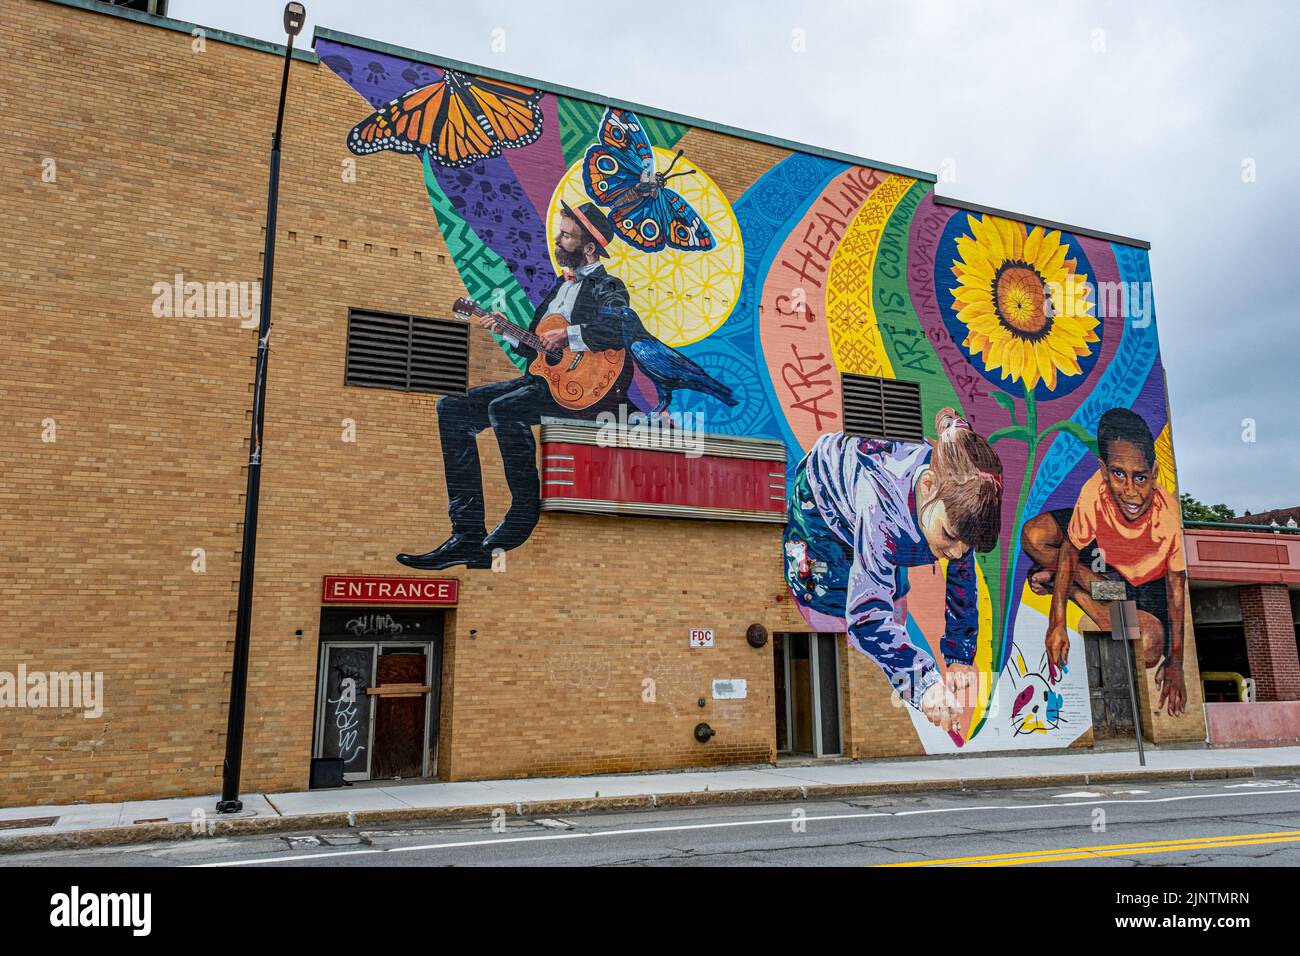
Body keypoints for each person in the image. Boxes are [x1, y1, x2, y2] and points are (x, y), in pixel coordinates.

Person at [397, 202, 630, 570]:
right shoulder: (560, 286)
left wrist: (568, 335)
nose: (558, 239)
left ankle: (524, 511)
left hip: (592, 390)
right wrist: (506, 328)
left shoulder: (608, 286)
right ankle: (467, 536)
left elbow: (620, 329)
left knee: (504, 409)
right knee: (453, 409)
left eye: (567, 235)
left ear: (588, 248)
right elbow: (536, 348)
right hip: (546, 380)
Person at [784, 408, 1004, 739]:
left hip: (898, 511)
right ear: (928, 485)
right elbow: (866, 619)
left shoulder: (960, 498)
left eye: (966, 545)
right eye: (950, 537)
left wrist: (960, 653)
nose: (957, 552)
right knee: (834, 600)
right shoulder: (879, 508)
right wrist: (925, 684)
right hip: (821, 498)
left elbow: (962, 583)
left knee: (893, 593)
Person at [1020, 408, 1187, 716]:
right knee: (1034, 535)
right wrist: (1056, 623)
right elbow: (1070, 551)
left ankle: (1070, 588)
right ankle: (1069, 580)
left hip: (1134, 587)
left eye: (1140, 477)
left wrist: (1175, 662)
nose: (1131, 490)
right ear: (1103, 469)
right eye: (1118, 474)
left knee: (1148, 647)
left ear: (1155, 471)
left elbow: (1177, 589)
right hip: (1099, 557)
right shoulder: (1094, 493)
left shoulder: (1168, 517)